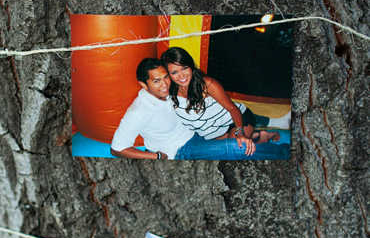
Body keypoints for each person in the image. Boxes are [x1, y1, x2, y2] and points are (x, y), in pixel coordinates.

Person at [110, 58, 289, 161]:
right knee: (238, 148)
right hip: (181, 150)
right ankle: (286, 152)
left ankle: (262, 135)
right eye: (156, 81)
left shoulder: (171, 90)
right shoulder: (138, 111)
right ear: (143, 84)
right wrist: (155, 157)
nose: (164, 84)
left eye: (166, 77)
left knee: (232, 130)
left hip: (198, 135)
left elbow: (224, 108)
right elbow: (117, 148)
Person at [161, 46, 281, 148]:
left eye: (184, 68)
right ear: (168, 75)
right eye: (174, 72)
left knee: (236, 146)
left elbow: (233, 109)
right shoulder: (168, 94)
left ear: (191, 66)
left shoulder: (207, 84)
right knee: (226, 148)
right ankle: (260, 135)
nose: (181, 75)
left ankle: (267, 141)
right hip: (213, 135)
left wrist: (239, 132)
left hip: (235, 121)